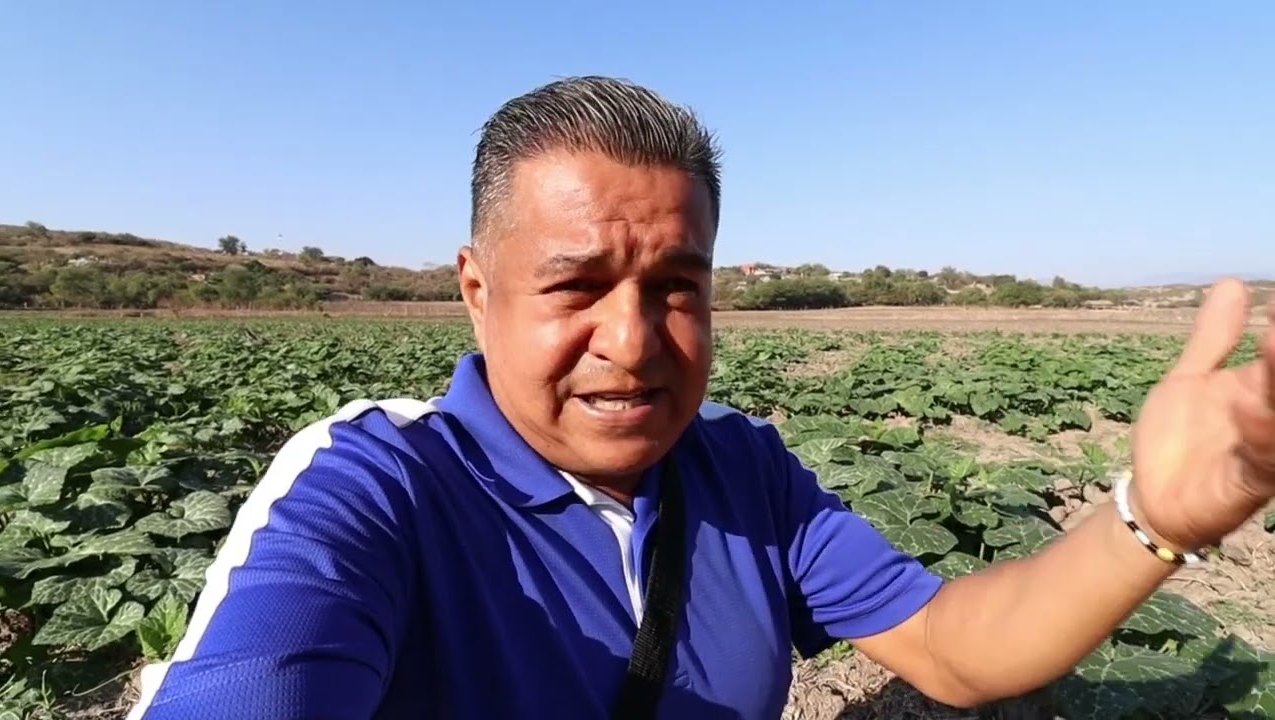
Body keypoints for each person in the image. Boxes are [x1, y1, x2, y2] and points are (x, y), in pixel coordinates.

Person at [126, 76, 1275, 720]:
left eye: (675, 287)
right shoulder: (375, 481)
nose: (631, 342)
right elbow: (259, 684)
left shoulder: (744, 471)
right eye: (573, 285)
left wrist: (1150, 521)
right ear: (476, 291)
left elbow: (947, 645)